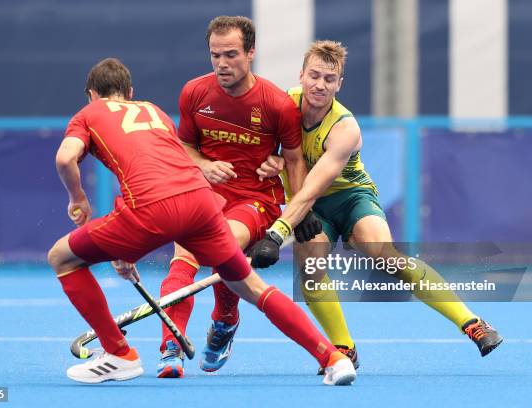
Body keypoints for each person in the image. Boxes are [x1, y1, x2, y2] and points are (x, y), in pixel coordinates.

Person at [46, 57, 355, 386]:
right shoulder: (154, 112)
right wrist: (122, 248)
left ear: (92, 95)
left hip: (156, 207)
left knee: (61, 258)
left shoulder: (88, 114)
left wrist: (77, 198)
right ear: (130, 92)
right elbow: (163, 168)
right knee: (251, 286)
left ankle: (120, 354)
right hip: (201, 202)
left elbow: (66, 157)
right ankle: (332, 358)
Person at [249, 40, 503, 372]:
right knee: (310, 269)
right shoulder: (283, 106)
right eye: (314, 76)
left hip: (350, 197)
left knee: (382, 253)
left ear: (339, 84)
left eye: (329, 79)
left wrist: (278, 231)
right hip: (308, 203)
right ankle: (343, 347)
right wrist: (273, 162)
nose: (320, 85)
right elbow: (267, 153)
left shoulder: (345, 128)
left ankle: (472, 323)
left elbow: (317, 181)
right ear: (301, 75)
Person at [156, 15, 320, 378]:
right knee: (182, 260)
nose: (221, 64)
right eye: (215, 55)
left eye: (231, 55)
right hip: (204, 193)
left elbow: (293, 159)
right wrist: (202, 165)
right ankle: (171, 344)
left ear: (251, 53)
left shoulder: (276, 104)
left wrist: (297, 208)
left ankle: (225, 321)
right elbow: (183, 146)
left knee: (222, 245)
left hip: (254, 197)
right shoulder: (194, 92)